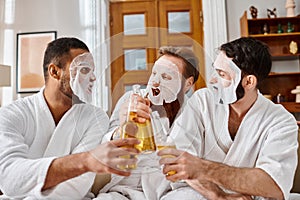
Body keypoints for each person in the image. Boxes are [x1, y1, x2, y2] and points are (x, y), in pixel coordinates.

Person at [158, 37, 299, 199]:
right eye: (215, 70)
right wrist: (219, 196)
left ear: (248, 82)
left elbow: (274, 184)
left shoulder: (281, 121)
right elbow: (177, 160)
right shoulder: (202, 101)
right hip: (197, 192)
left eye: (222, 74)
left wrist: (203, 168)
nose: (212, 80)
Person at [0, 37, 140, 199]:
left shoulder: (95, 117)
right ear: (54, 71)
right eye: (85, 70)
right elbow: (9, 177)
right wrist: (86, 160)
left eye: (93, 71)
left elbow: (77, 185)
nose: (94, 78)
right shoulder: (11, 114)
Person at [95, 46, 200, 200]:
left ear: (188, 84)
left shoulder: (194, 113)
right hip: (124, 188)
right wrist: (122, 129)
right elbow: (104, 147)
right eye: (154, 73)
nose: (155, 82)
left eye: (166, 77)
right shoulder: (130, 101)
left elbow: (192, 160)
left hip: (170, 190)